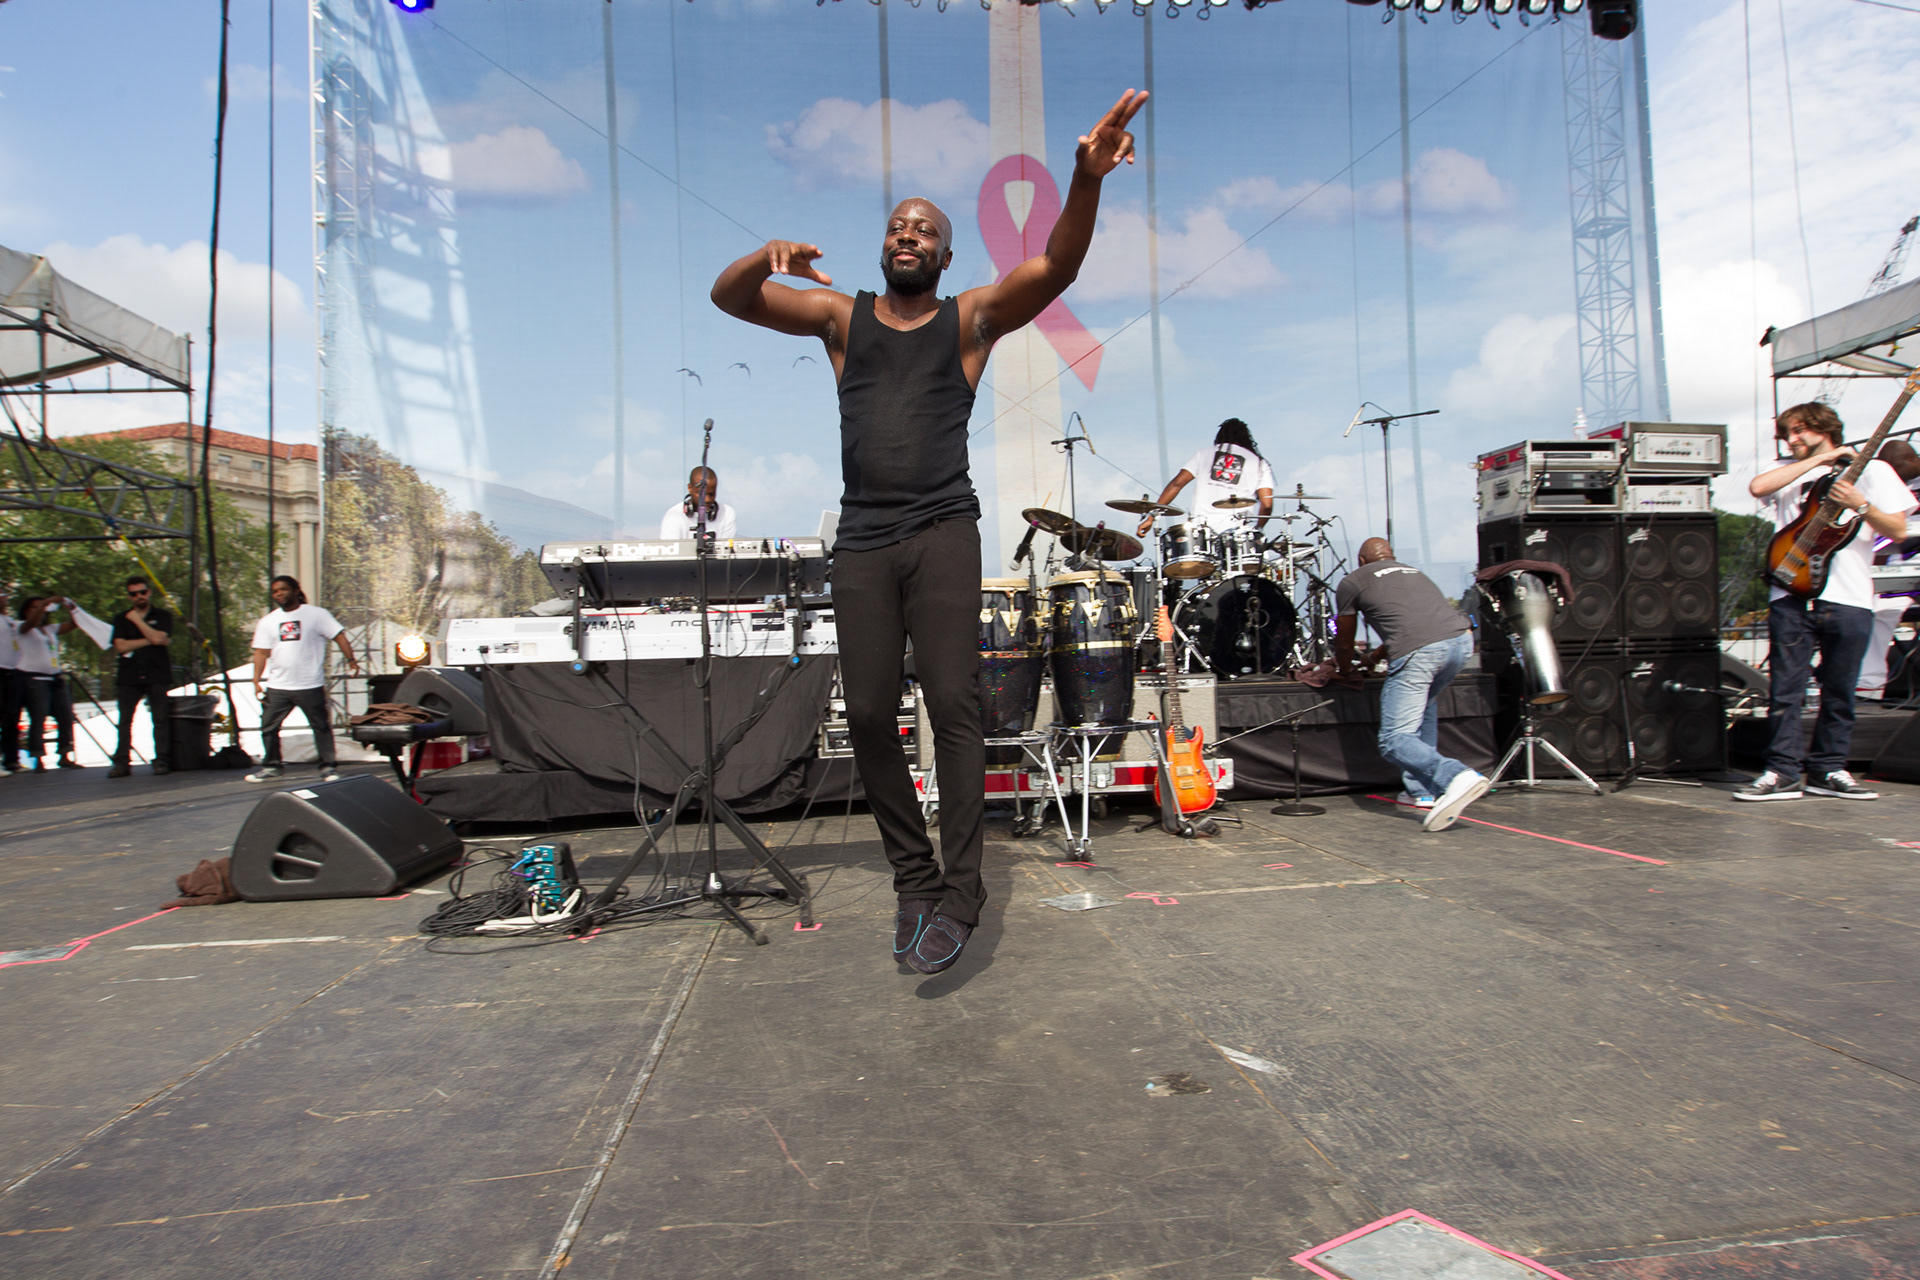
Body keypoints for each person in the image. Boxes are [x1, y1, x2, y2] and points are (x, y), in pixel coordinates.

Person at [711, 88, 1148, 975]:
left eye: (924, 231)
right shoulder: (842, 319)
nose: (907, 235)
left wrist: (1083, 178)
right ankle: (912, 877)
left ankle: (962, 888)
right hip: (866, 537)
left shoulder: (970, 320)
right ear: (885, 247)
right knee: (870, 711)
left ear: (945, 256)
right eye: (897, 227)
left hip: (945, 528)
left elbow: (1055, 270)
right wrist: (766, 254)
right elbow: (733, 300)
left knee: (952, 706)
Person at [1739, 402, 1916, 801]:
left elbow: (1900, 529)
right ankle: (1781, 770)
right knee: (1785, 688)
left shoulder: (1875, 471)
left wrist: (1860, 503)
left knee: (1840, 688)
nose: (1792, 439)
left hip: (1849, 595)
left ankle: (1828, 768)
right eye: (1787, 434)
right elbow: (1757, 487)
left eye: (1800, 430)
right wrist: (1823, 459)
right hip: (1790, 593)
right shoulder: (1791, 473)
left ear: (1825, 427)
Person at [1334, 538, 1487, 832]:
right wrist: (1373, 657)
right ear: (1390, 557)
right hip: (1461, 644)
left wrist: (1345, 669)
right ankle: (1422, 791)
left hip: (1421, 652)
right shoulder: (1412, 572)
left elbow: (1344, 639)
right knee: (1425, 706)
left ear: (1361, 560)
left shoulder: (1352, 581)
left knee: (1394, 739)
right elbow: (1420, 624)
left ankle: (1455, 776)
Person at [244, 575, 360, 783]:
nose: (279, 594)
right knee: (268, 726)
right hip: (278, 685)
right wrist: (255, 680)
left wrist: (351, 661)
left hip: (309, 683)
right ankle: (272, 767)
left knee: (320, 726)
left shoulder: (316, 615)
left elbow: (339, 635)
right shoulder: (268, 621)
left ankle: (328, 768)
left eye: (283, 589)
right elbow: (261, 652)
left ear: (296, 591)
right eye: (275, 591)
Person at [1134, 418, 1275, 540]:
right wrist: (1258, 529)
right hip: (1239, 534)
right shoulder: (1259, 463)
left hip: (1200, 534)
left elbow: (1177, 484)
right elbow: (1267, 504)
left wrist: (1151, 517)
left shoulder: (1203, 454)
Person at [1856, 438, 1920, 701]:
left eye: (1894, 470)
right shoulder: (1894, 488)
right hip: (1901, 567)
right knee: (1878, 613)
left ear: (1909, 461)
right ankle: (1868, 686)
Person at [108, 576, 174, 778]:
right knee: (125, 720)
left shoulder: (162, 615)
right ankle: (122, 761)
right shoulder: (120, 618)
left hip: (157, 673)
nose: (139, 597)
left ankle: (161, 759)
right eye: (134, 594)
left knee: (160, 719)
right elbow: (121, 646)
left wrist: (137, 621)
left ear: (149, 592)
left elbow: (161, 638)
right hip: (130, 675)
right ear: (129, 597)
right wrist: (151, 639)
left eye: (142, 592)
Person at [15, 594, 79, 771]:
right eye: (34, 607)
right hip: (35, 680)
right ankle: (38, 758)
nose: (40, 610)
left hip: (55, 678)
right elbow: (31, 623)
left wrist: (72, 609)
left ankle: (64, 754)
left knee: (65, 716)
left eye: (42, 607)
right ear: (27, 611)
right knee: (38, 719)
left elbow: (73, 624)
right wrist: (45, 603)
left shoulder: (50, 629)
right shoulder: (21, 627)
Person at [658, 466, 738, 540]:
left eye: (711, 494)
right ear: (690, 488)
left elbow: (725, 552)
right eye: (701, 494)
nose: (707, 500)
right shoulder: (674, 515)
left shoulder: (726, 513)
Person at [0, 586, 19, 773]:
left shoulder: (9, 620)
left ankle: (11, 760)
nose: (4, 599)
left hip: (11, 672)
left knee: (10, 718)